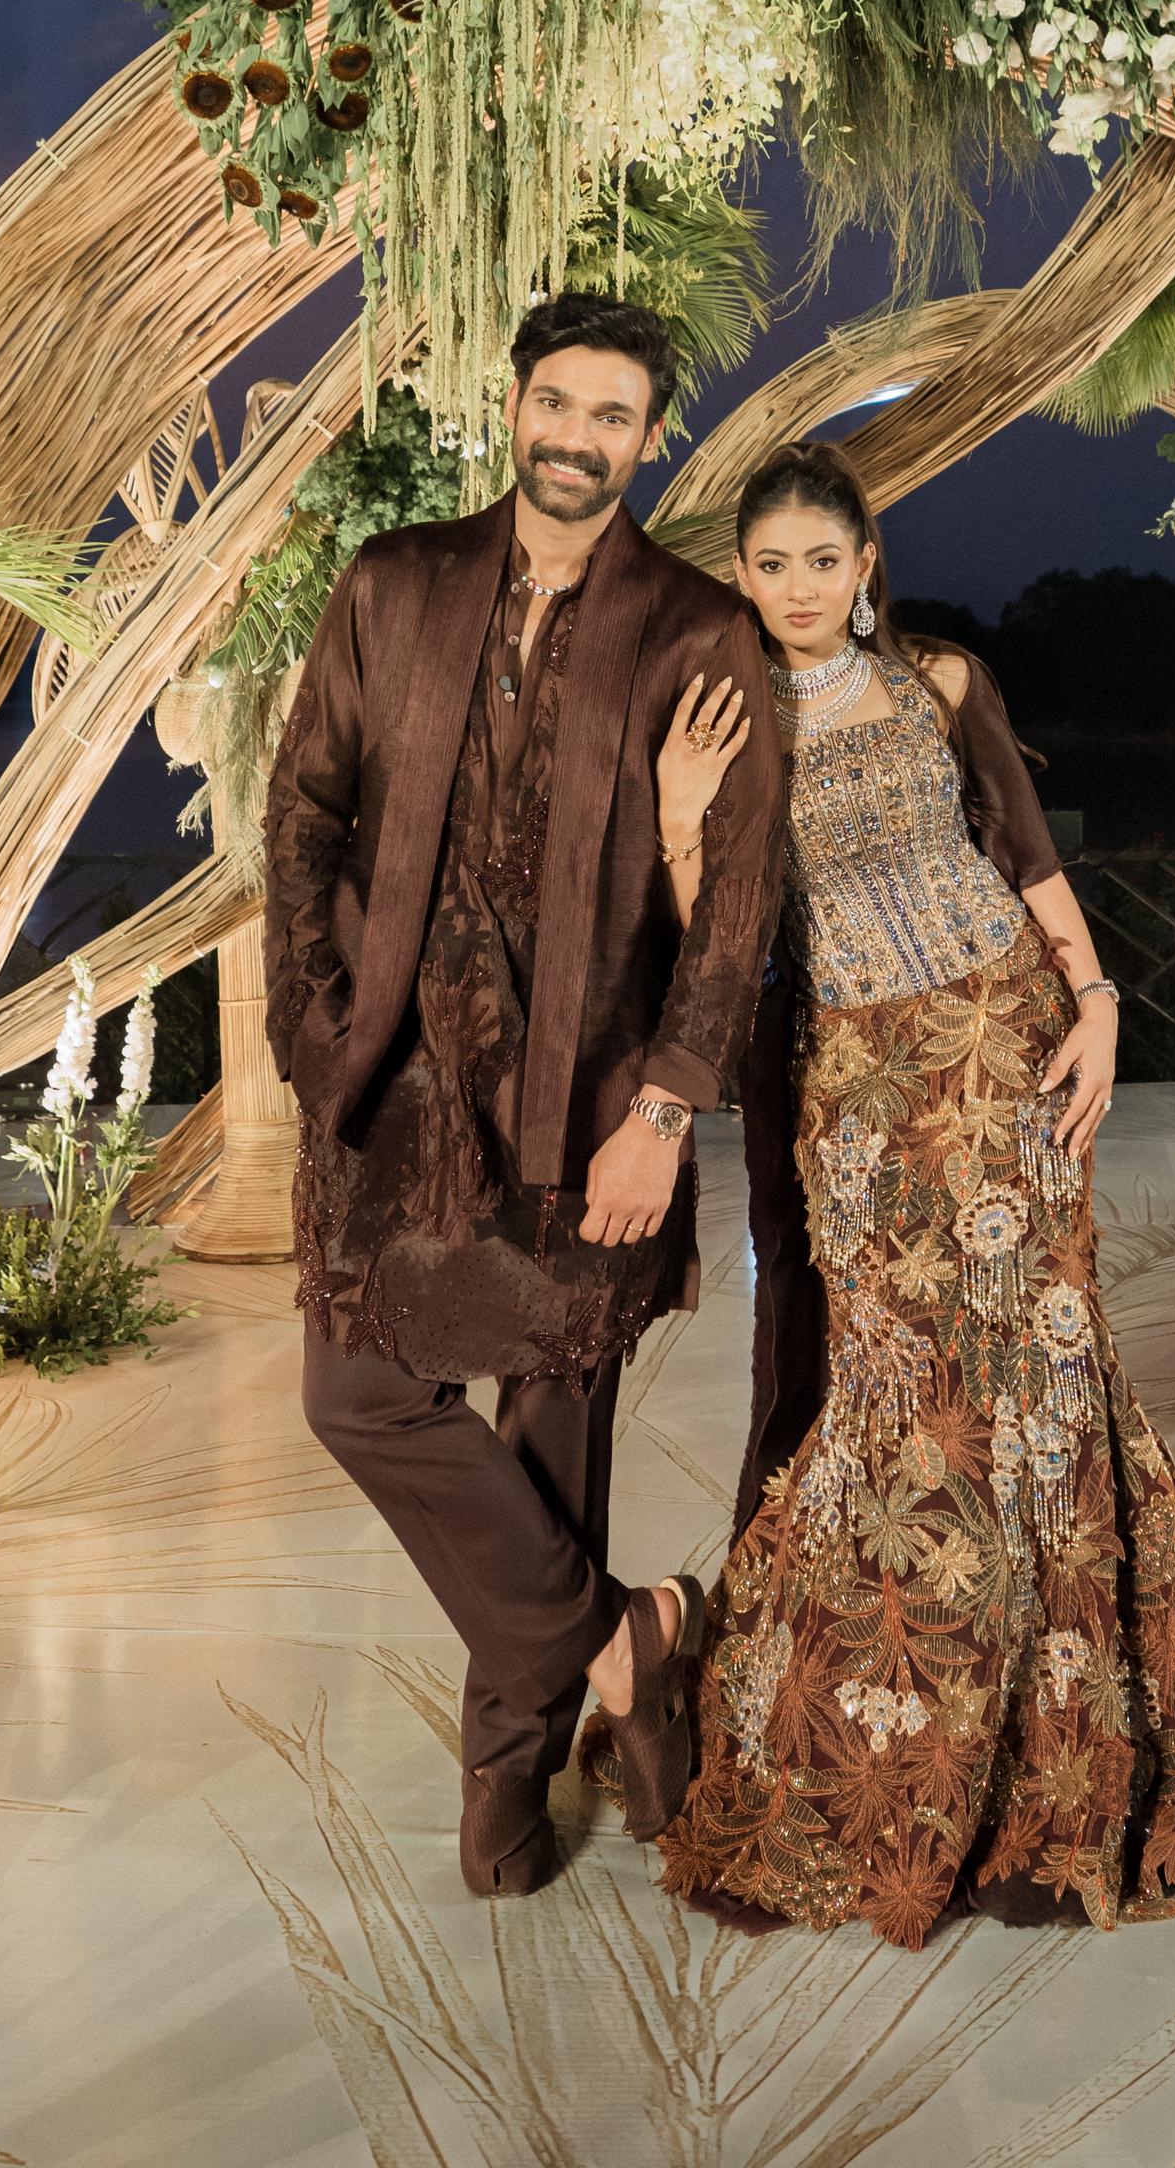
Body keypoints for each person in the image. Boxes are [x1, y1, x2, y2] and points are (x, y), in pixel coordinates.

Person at [638, 441, 1175, 1946]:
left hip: (1006, 1048)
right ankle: (886, 1758)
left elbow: (1021, 853)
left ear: (866, 565)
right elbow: (720, 953)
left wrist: (1098, 1000)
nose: (800, 589)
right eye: (772, 565)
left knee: (1044, 1383)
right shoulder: (725, 720)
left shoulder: (943, 682)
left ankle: (1059, 1769)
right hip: (858, 1083)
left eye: (824, 561)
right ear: (739, 578)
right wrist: (682, 814)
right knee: (898, 1394)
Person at [261, 292, 782, 1901]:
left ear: (650, 438)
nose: (576, 437)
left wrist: (663, 1112)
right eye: (556, 403)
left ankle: (505, 1775)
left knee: (553, 1420)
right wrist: (314, 1025)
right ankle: (630, 1644)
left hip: (595, 1092)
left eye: (612, 415)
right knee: (356, 1396)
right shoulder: (394, 582)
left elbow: (738, 900)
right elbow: (303, 810)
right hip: (398, 1077)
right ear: (512, 406)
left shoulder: (698, 629)